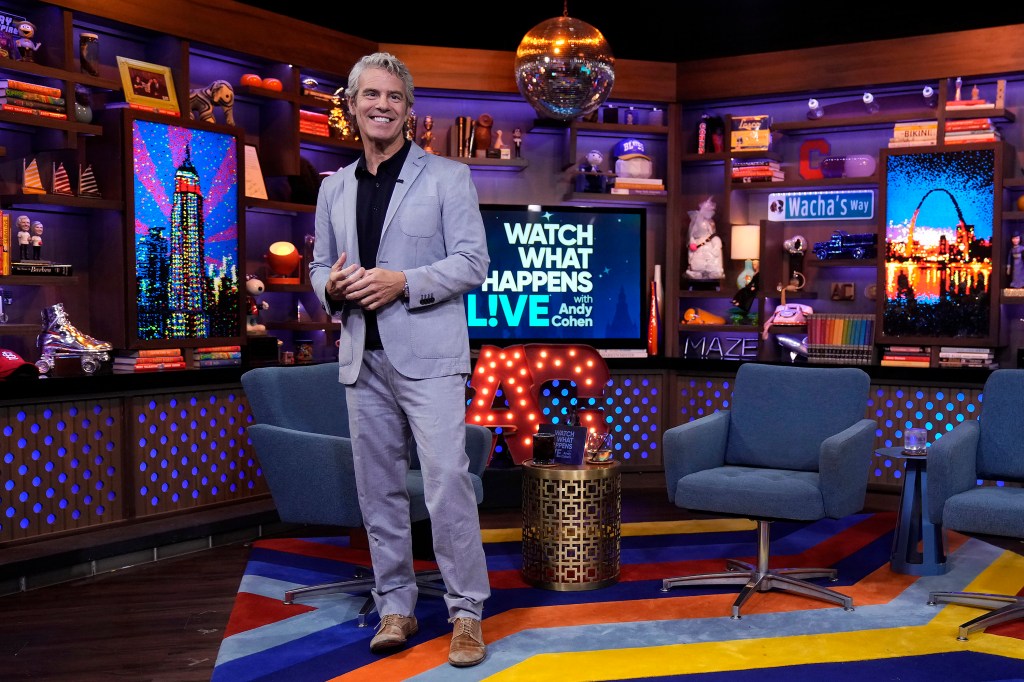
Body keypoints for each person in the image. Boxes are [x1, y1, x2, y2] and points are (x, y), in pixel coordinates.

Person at [309, 52, 490, 668]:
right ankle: (395, 605)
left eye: (393, 97)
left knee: (446, 487)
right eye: (370, 96)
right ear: (353, 106)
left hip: (431, 358)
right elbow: (318, 265)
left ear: (409, 111)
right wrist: (329, 289)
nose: (381, 105)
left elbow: (472, 264)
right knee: (378, 490)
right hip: (362, 357)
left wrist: (402, 282)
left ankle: (467, 613)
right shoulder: (333, 187)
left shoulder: (448, 177)